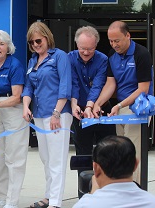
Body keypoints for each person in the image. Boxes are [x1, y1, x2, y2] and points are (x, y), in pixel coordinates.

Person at [93, 20, 153, 184]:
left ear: (128, 35)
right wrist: (98, 103)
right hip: (120, 109)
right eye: (111, 41)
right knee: (122, 152)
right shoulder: (112, 56)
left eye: (117, 40)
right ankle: (124, 189)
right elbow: (110, 84)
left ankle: (136, 190)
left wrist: (120, 105)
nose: (113, 44)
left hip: (137, 108)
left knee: (134, 152)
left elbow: (143, 89)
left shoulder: (141, 54)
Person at [22, 21, 73, 208]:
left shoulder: (60, 56)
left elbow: (65, 86)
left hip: (57, 113)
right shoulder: (32, 61)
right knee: (45, 158)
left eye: (38, 40)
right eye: (31, 43)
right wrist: (25, 106)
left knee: (57, 159)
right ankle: (48, 195)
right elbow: (28, 87)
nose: (35, 45)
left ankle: (56, 202)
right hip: (39, 114)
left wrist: (56, 113)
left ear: (47, 37)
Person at [0, 30, 29, 208]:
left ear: (8, 47)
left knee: (14, 158)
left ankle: (12, 201)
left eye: (2, 44)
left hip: (12, 110)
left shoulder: (15, 65)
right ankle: (2, 197)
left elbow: (17, 96)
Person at [68, 26, 116, 198]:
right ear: (76, 45)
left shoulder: (103, 59)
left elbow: (98, 84)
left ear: (96, 45)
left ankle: (107, 193)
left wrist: (90, 106)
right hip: (78, 110)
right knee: (83, 153)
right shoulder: (70, 58)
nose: (86, 52)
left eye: (90, 49)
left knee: (107, 151)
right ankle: (84, 195)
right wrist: (75, 105)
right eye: (82, 48)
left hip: (101, 108)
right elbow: (72, 83)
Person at [73, 135, 155, 208]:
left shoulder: (84, 205)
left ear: (96, 168)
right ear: (136, 164)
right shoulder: (151, 202)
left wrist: (92, 194)